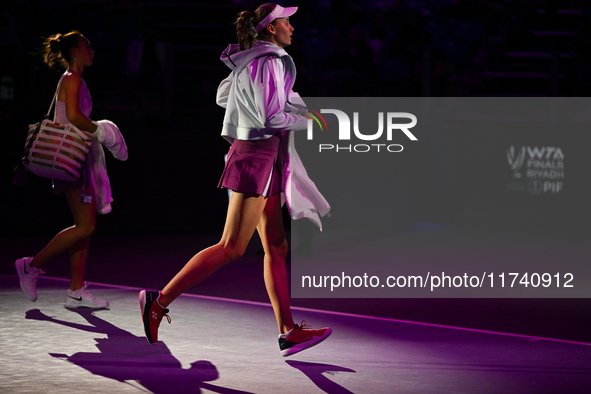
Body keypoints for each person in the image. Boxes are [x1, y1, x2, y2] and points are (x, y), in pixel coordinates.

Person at [139, 3, 331, 357]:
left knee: (276, 245)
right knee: (232, 247)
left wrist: (283, 107)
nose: (292, 27)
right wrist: (308, 120)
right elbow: (271, 115)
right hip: (256, 156)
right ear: (271, 29)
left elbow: (223, 97)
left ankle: (288, 331)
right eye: (287, 22)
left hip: (261, 156)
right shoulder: (271, 60)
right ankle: (158, 300)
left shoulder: (248, 59)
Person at [15, 31, 128, 309]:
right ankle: (32, 266)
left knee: (84, 228)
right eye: (87, 46)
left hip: (78, 161)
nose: (92, 51)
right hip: (73, 163)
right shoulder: (72, 79)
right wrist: (101, 131)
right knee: (86, 226)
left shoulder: (70, 79)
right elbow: (75, 117)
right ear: (76, 51)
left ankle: (76, 291)